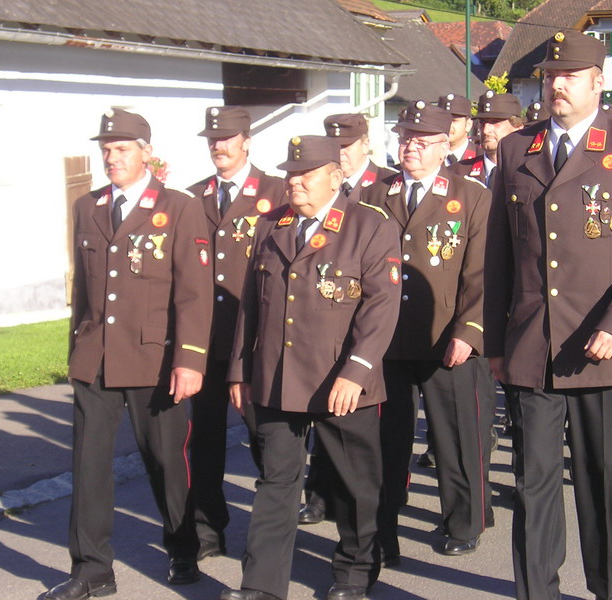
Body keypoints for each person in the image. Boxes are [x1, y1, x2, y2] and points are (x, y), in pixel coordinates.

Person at [484, 31, 612, 600]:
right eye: (549, 76)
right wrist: (496, 342)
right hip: (533, 346)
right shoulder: (517, 149)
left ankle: (607, 589)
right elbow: (498, 253)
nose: (556, 85)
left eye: (568, 75)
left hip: (602, 346)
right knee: (533, 484)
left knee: (604, 479)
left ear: (598, 82)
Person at [220, 135, 401, 600]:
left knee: (354, 480)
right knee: (276, 480)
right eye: (290, 174)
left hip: (339, 378)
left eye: (306, 174)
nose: (294, 182)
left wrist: (357, 371)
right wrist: (240, 369)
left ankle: (355, 570)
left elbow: (381, 306)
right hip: (277, 377)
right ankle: (261, 584)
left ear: (335, 177)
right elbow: (250, 306)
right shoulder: (271, 225)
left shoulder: (369, 225)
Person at [46, 108, 212, 600]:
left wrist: (190, 359)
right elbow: (84, 289)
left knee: (165, 460)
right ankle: (91, 569)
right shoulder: (88, 206)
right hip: (96, 357)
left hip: (153, 358)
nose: (111, 157)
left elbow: (194, 293)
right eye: (106, 149)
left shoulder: (178, 207)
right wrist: (76, 351)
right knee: (88, 467)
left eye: (121, 149)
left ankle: (182, 548)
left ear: (146, 153)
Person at [373, 101, 492, 565]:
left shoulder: (471, 196)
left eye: (422, 142)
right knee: (387, 437)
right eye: (405, 139)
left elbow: (481, 273)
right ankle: (383, 526)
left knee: (454, 436)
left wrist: (469, 330)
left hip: (446, 336)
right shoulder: (375, 193)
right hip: (386, 338)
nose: (411, 148)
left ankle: (463, 520)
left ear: (445, 146)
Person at [186, 106, 285, 559]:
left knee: (266, 439)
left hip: (256, 341)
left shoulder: (276, 193)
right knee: (204, 441)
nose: (218, 146)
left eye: (226, 138)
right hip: (205, 340)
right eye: (212, 139)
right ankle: (208, 530)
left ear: (246, 140)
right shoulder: (193, 198)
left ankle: (272, 537)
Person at [297, 113, 395, 526]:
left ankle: (373, 532)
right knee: (322, 432)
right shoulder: (300, 202)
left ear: (365, 144)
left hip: (376, 331)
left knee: (363, 446)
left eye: (347, 145)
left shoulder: (385, 187)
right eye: (333, 146)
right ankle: (319, 495)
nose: (341, 152)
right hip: (321, 334)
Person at [436, 93, 478, 172]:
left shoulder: (480, 157)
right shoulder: (428, 157)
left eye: (454, 121)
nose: (448, 125)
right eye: (444, 120)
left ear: (468, 125)